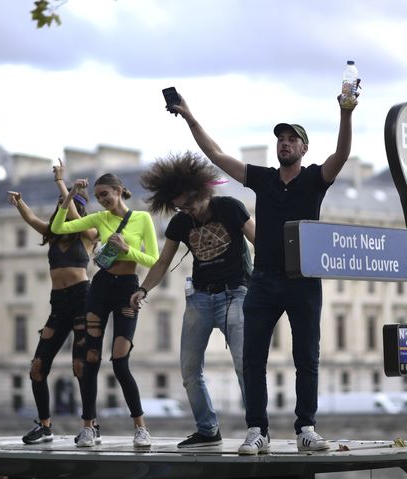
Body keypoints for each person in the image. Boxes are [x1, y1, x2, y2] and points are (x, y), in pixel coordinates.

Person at [168, 87, 358, 454]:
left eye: (292, 140)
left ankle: (306, 427)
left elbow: (344, 153)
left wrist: (346, 113)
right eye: (281, 139)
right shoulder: (263, 179)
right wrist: (191, 118)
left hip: (303, 279)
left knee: (307, 357)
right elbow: (216, 155)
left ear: (304, 149)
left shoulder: (315, 179)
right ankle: (258, 429)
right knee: (253, 357)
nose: (285, 144)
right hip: (264, 280)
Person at [129, 151, 255, 448]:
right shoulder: (180, 223)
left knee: (244, 364)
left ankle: (257, 428)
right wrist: (143, 289)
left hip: (235, 293)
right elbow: (161, 263)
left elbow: (258, 239)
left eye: (191, 204)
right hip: (199, 297)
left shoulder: (230, 208)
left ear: (202, 191)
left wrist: (269, 279)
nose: (189, 211)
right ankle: (208, 430)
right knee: (188, 369)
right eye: (181, 207)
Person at [51, 173, 159, 448]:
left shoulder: (142, 219)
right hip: (99, 289)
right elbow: (59, 226)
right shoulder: (99, 219)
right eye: (98, 197)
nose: (102, 201)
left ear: (120, 190)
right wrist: (71, 190)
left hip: (127, 288)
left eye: (105, 195)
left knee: (120, 361)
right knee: (91, 359)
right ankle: (88, 427)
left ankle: (141, 428)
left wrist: (127, 250)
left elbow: (155, 260)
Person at [7, 160, 100, 445]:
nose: (65, 205)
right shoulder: (51, 234)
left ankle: (89, 425)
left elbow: (72, 212)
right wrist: (20, 204)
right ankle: (45, 426)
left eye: (71, 204)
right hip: (58, 303)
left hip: (82, 299)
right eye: (61, 202)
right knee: (37, 367)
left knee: (79, 366)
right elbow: (33, 220)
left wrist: (65, 188)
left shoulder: (89, 234)